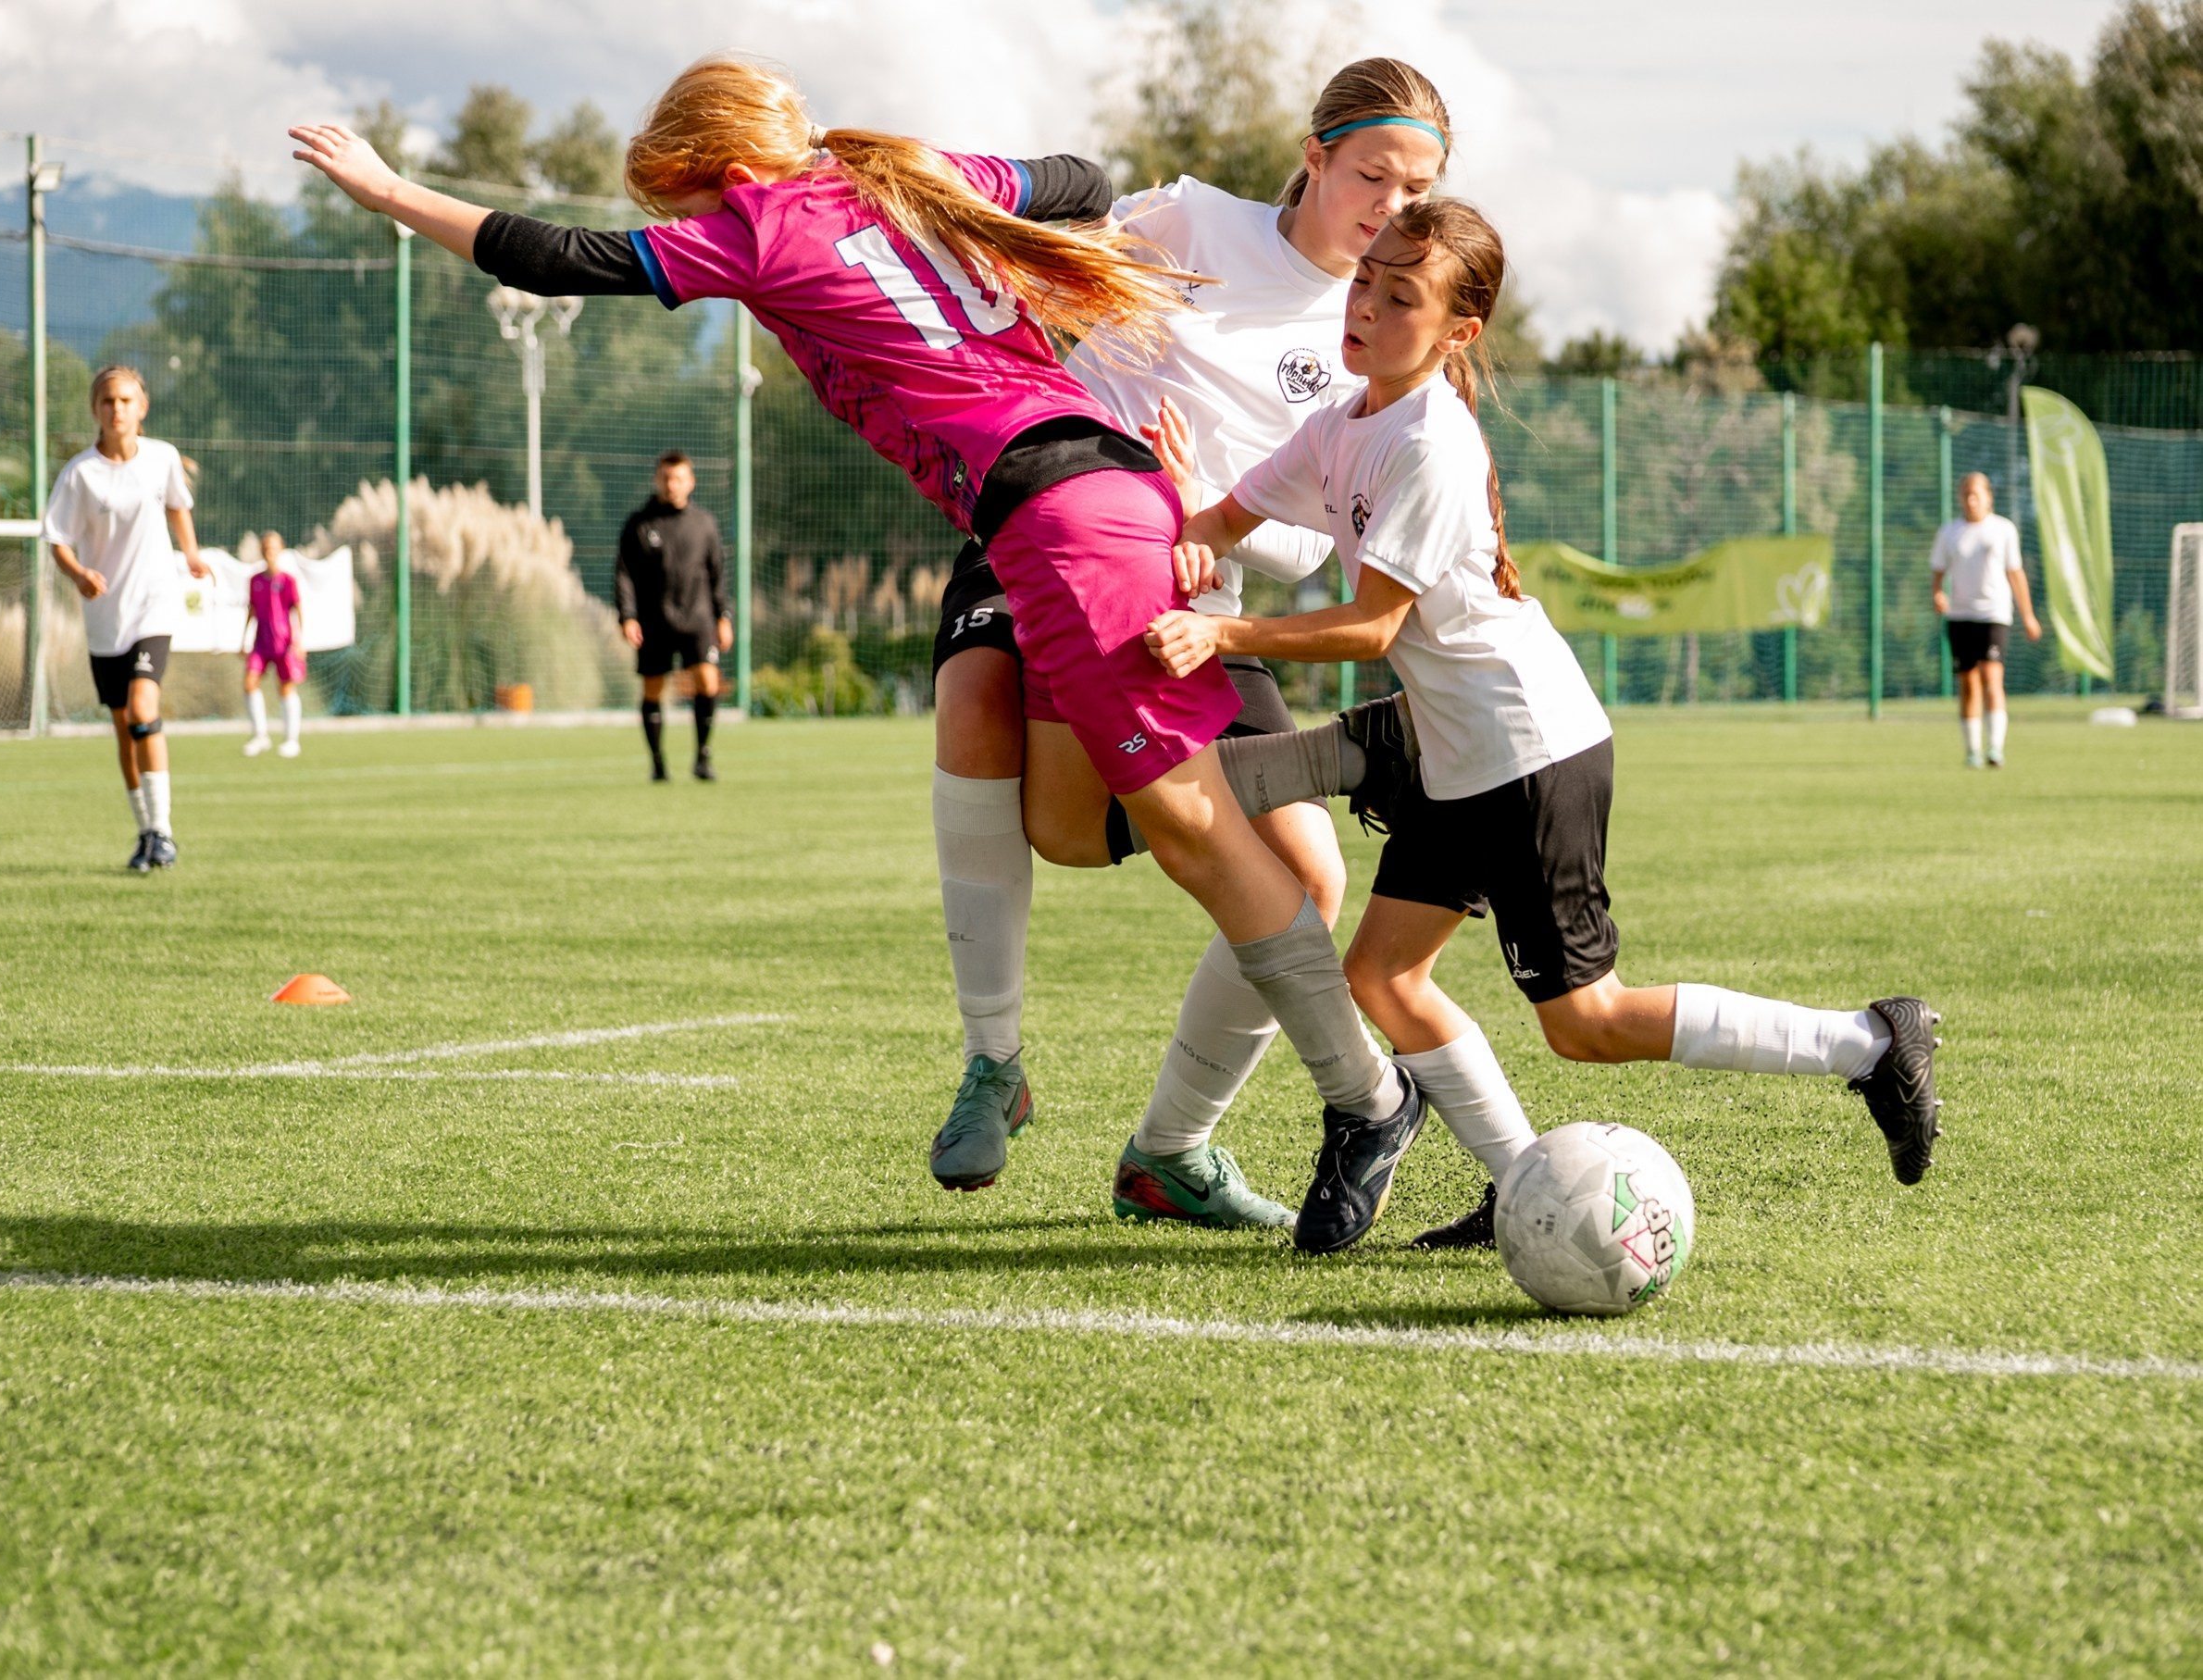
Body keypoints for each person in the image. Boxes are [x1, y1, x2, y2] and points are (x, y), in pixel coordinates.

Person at [292, 56, 1427, 1257]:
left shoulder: (766, 221)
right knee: (1096, 816)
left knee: (1199, 835)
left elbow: (553, 255)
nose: (692, 226)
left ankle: (1366, 1082)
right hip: (1094, 500)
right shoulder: (899, 174)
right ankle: (1195, 978)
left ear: (716, 170)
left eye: (683, 198)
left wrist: (389, 191)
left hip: (1069, 519)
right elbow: (1080, 179)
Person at [1146, 198, 1945, 1251]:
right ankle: (1524, 1178)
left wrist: (1224, 632)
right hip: (1451, 751)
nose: (1367, 304)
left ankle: (1866, 1043)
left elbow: (1375, 626)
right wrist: (1176, 506)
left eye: (1402, 295)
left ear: (1457, 332)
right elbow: (1226, 519)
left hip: (1527, 752)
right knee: (1382, 977)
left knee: (1589, 1024)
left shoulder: (1428, 441)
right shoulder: (1342, 423)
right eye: (1367, 278)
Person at [924, 57, 1451, 1227]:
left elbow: (1314, 550)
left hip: (1200, 606)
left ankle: (1172, 1151)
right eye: (1373, 176)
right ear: (1314, 159)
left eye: (1420, 191)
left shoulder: (1383, 333)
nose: (1393, 210)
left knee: (1310, 874)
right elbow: (1049, 265)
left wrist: (1203, 510)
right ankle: (992, 1060)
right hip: (1053, 529)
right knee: (974, 703)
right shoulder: (1187, 220)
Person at [42, 365, 212, 872]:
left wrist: (194, 555)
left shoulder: (161, 458)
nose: (117, 409)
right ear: (95, 410)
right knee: (123, 727)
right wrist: (78, 574)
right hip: (105, 618)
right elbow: (57, 539)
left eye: (126, 400)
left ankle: (164, 831)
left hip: (153, 606)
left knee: (142, 708)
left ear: (143, 407)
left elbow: (178, 507)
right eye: (107, 401)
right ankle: (146, 833)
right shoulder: (80, 474)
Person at [616, 450, 731, 781]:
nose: (672, 484)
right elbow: (623, 574)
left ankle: (702, 757)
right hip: (655, 620)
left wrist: (724, 616)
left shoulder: (704, 524)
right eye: (666, 478)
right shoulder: (640, 523)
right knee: (653, 690)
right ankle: (657, 762)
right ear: (657, 480)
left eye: (679, 478)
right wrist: (628, 616)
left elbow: (717, 574)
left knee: (708, 681)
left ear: (691, 482)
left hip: (698, 618)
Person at [1932, 472, 2041, 767]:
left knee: (1992, 676)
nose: (1971, 500)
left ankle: (1995, 748)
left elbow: (2015, 573)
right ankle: (1972, 751)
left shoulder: (2003, 529)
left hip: (1994, 613)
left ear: (1988, 497)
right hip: (1960, 615)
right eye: (1966, 494)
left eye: (1976, 494)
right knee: (1968, 681)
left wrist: (2028, 615)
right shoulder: (1950, 532)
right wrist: (1938, 595)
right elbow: (1938, 572)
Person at [242, 530, 305, 759]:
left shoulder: (288, 581)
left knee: (286, 687)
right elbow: (252, 611)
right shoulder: (255, 581)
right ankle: (260, 736)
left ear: (280, 550)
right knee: (250, 683)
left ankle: (291, 740)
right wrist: (244, 640)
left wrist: (298, 642)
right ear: (262, 551)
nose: (270, 552)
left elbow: (297, 610)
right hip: (261, 642)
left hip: (284, 643)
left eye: (274, 548)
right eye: (266, 548)